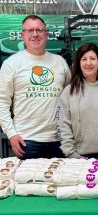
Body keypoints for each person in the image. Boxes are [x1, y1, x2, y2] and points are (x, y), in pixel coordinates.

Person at [0, 15, 71, 159]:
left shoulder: (60, 62)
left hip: (59, 139)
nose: (35, 34)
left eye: (39, 30)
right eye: (30, 30)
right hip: (26, 141)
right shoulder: (11, 64)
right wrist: (11, 134)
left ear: (46, 34)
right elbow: (2, 102)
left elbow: (70, 98)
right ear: (22, 35)